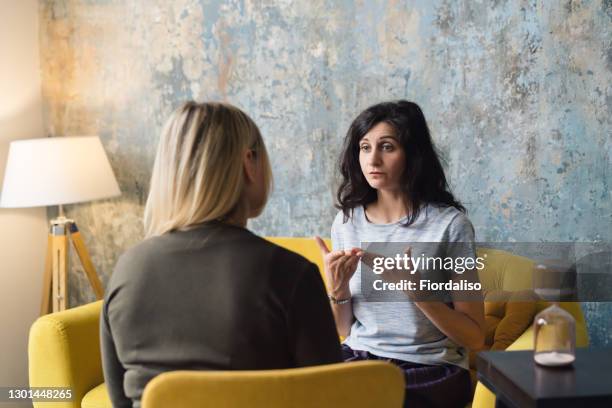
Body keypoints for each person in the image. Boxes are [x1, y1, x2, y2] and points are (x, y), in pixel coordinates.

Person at [101, 101, 342, 407]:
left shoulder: (127, 269)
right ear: (249, 163)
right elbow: (332, 398)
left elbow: (119, 400)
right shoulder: (291, 273)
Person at [316, 100, 485, 408]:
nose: (373, 159)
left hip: (430, 369)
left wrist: (418, 292)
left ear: (412, 154)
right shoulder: (346, 223)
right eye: (365, 147)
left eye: (387, 147)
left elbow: (475, 337)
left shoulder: (451, 226)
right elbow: (343, 329)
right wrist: (338, 289)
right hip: (360, 359)